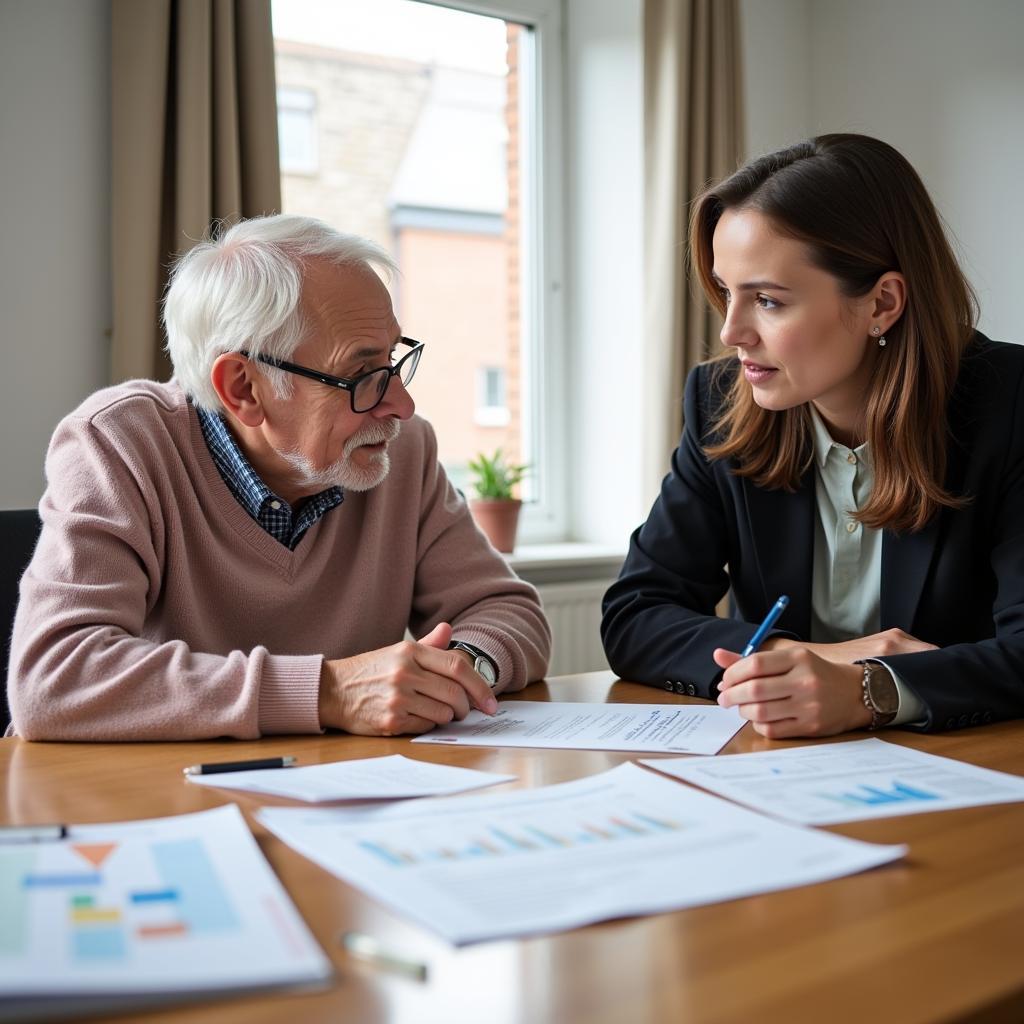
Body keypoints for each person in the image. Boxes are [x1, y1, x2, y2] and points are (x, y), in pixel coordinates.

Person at [8, 215, 550, 741]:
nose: (402, 406)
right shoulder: (119, 443)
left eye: (393, 361)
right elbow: (55, 677)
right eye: (362, 374)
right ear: (243, 387)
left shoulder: (402, 452)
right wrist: (327, 692)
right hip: (150, 802)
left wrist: (457, 669)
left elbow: (508, 611)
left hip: (344, 795)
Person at [602, 133, 1024, 737]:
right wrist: (808, 659)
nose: (731, 332)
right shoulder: (719, 401)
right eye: (726, 292)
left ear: (882, 303)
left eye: (768, 300)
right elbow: (634, 615)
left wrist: (870, 691)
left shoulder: (1011, 406)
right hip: (779, 772)